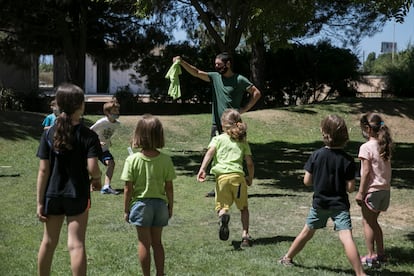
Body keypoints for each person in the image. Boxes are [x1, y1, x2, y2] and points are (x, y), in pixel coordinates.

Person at [278, 114, 366, 276]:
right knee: (346, 237)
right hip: (340, 205)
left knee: (306, 233)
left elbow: (307, 181)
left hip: (320, 204)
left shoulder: (316, 155)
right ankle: (360, 273)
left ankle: (287, 258)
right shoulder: (347, 160)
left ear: (324, 133)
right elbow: (351, 188)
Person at [36, 83, 102, 276]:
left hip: (52, 195)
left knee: (48, 242)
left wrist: (40, 202)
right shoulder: (88, 135)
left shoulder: (48, 133)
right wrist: (97, 179)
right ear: (80, 106)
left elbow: (43, 170)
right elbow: (92, 167)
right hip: (78, 195)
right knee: (76, 244)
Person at [173, 52, 261, 197]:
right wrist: (182, 62)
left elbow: (256, 93)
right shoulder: (215, 77)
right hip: (217, 124)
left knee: (237, 154)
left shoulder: (239, 80)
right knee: (217, 155)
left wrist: (244, 109)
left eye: (219, 65)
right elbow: (196, 72)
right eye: (215, 65)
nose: (216, 67)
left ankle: (237, 184)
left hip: (234, 126)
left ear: (228, 64)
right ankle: (219, 187)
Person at [121, 114, 176, 276]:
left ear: (138, 135)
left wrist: (126, 209)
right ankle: (160, 273)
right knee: (157, 243)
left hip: (140, 206)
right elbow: (169, 187)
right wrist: (170, 206)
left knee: (143, 243)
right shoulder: (166, 160)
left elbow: (127, 189)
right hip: (160, 206)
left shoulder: (132, 160)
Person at [197, 109, 254, 247]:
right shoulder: (242, 141)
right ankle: (245, 235)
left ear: (223, 125)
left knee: (222, 207)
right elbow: (250, 163)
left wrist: (202, 169)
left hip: (222, 179)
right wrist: (250, 178)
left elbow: (210, 153)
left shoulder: (217, 139)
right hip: (238, 178)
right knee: (243, 208)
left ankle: (223, 217)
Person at [355, 113, 393, 267]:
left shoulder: (366, 147)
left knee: (367, 222)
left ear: (367, 129)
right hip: (385, 191)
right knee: (374, 221)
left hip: (372, 191)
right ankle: (381, 254)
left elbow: (365, 173)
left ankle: (371, 256)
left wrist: (360, 192)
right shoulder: (384, 145)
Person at [90, 99, 121, 195]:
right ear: (107, 113)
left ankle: (106, 187)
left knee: (111, 163)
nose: (117, 113)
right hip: (93, 149)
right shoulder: (102, 121)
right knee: (93, 170)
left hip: (104, 150)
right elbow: (89, 132)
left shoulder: (117, 124)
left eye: (117, 110)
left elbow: (106, 135)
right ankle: (90, 184)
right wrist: (98, 142)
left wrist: (108, 141)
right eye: (114, 111)